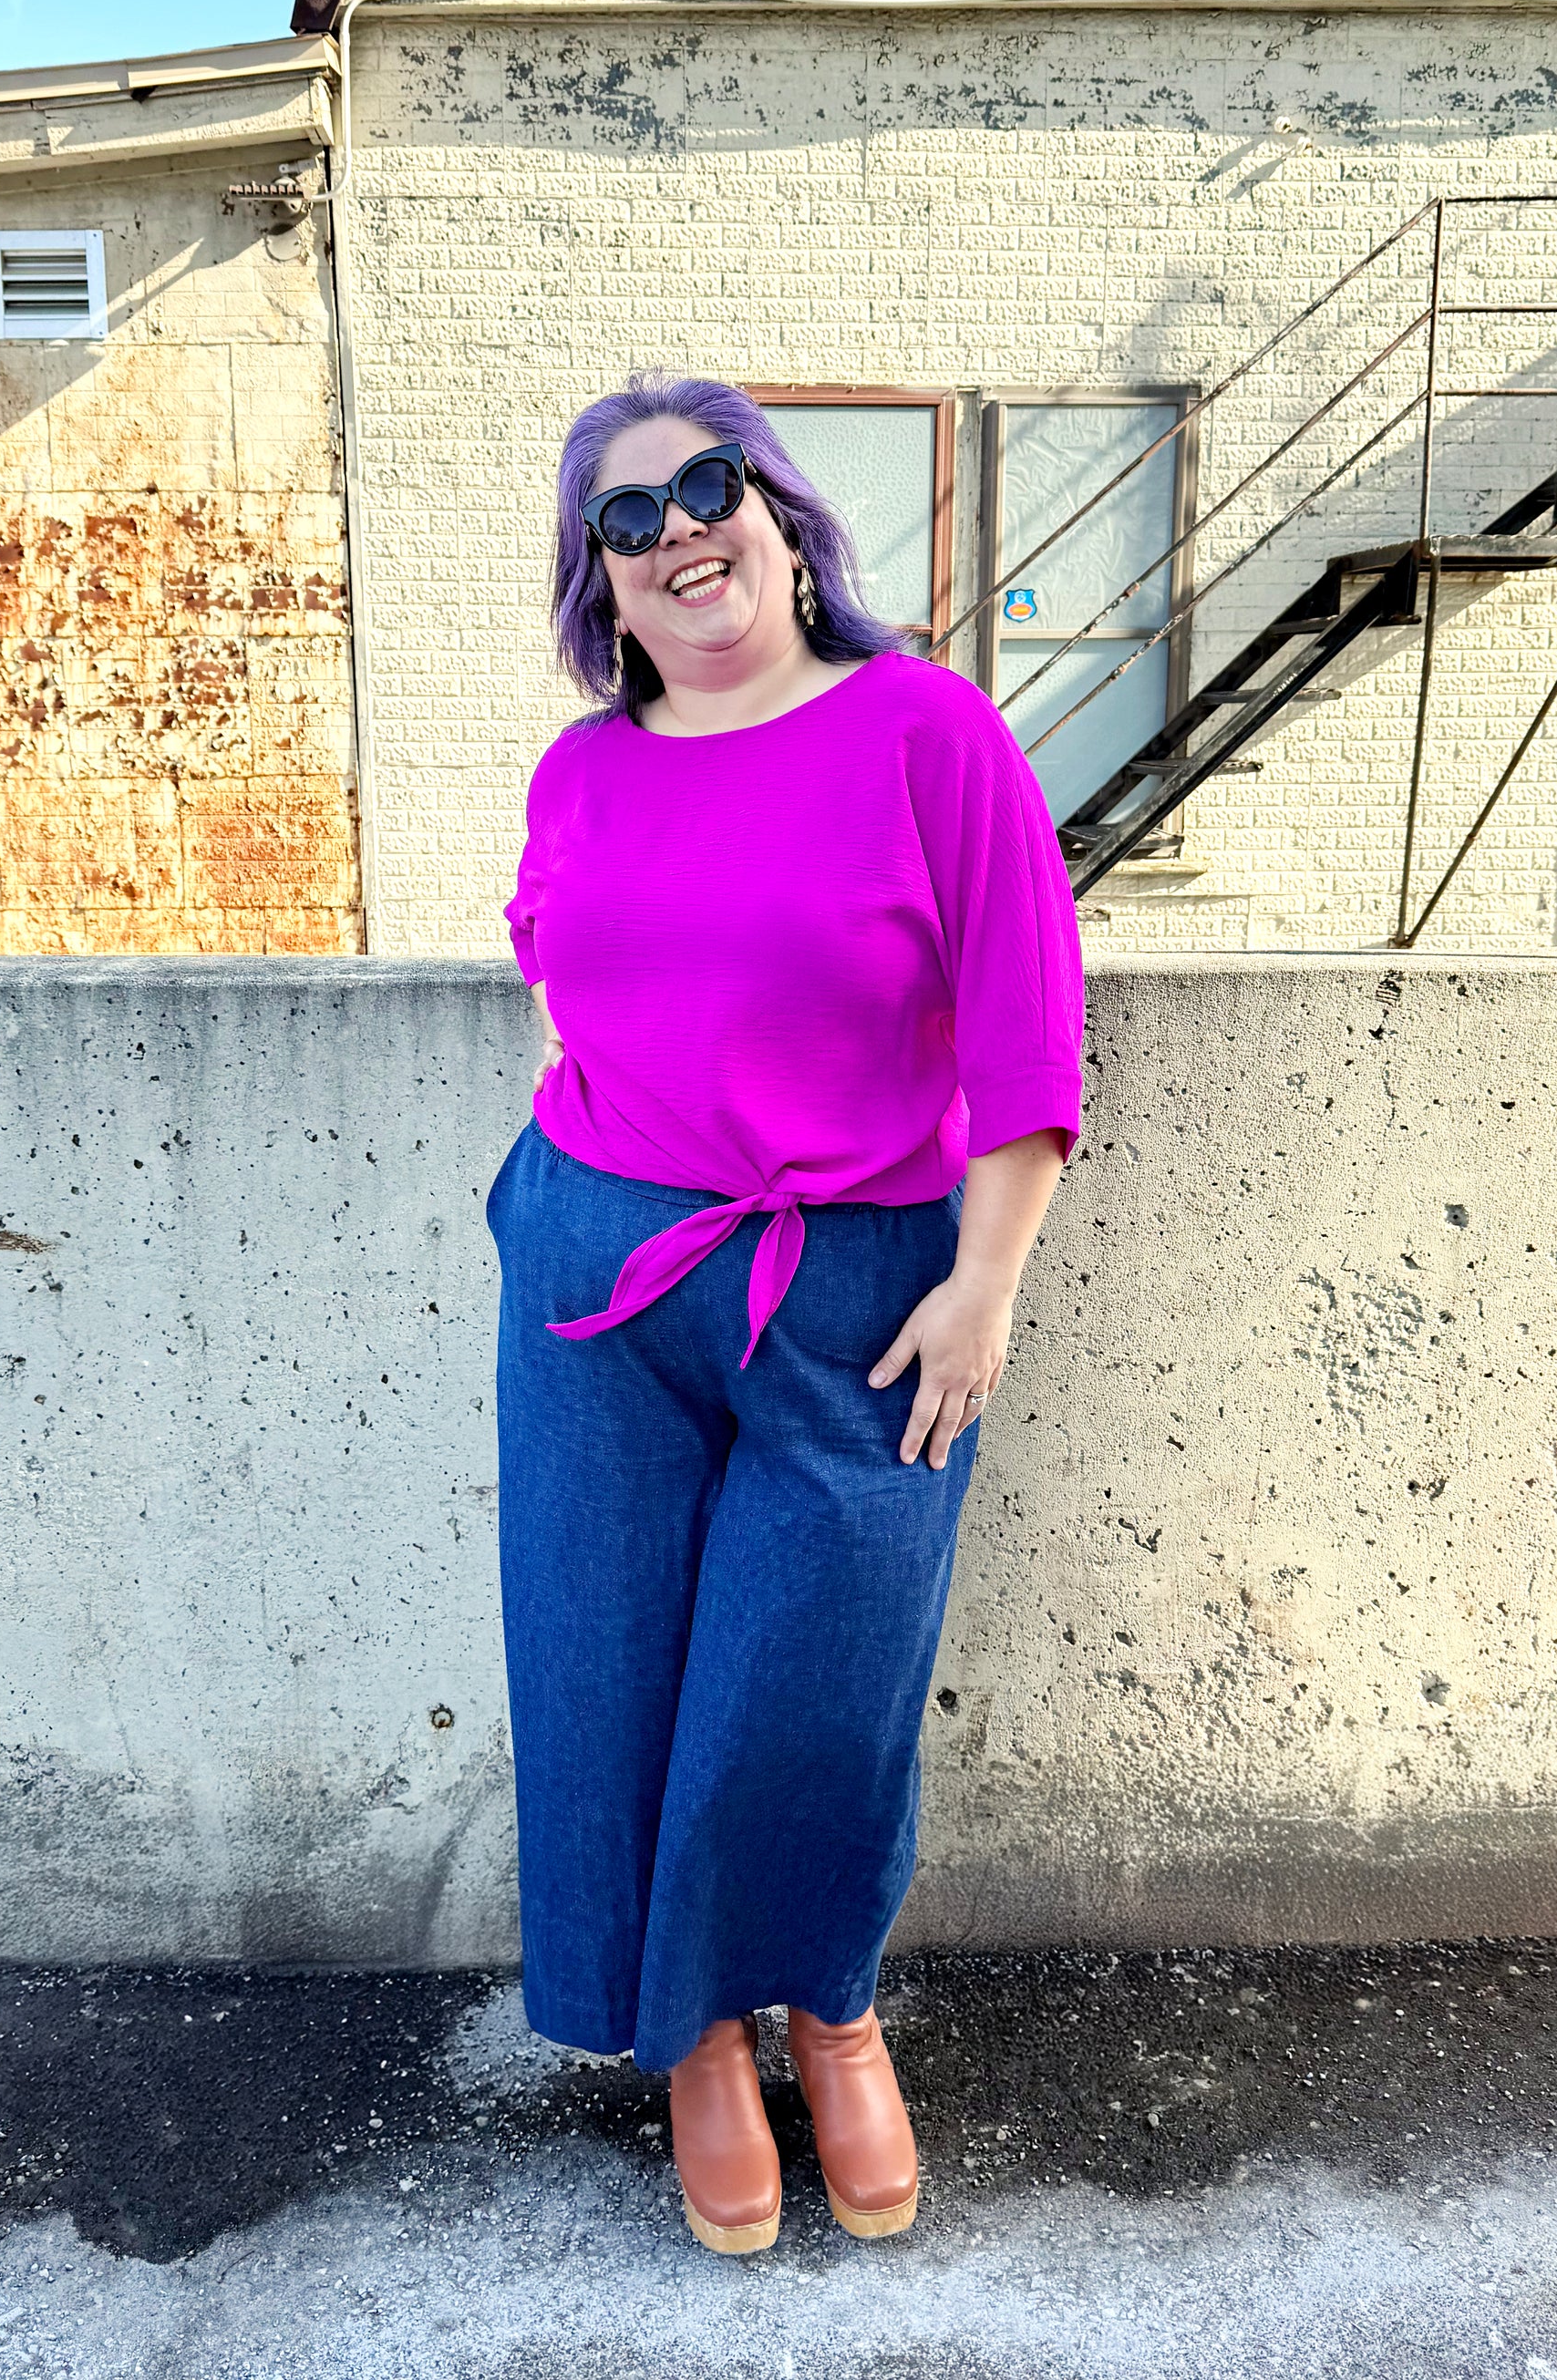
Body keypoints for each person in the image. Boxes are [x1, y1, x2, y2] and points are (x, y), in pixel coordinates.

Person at [487, 372, 1083, 2254]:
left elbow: (1023, 1026)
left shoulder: (927, 731)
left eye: (705, 488)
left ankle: (828, 2003)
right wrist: (564, 1193)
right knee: (606, 1670)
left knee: (817, 1682)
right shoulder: (581, 765)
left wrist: (981, 1287)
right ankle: (691, 2041)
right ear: (599, 576)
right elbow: (557, 972)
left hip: (857, 1279)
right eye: (627, 517)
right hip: (603, 1271)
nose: (676, 535)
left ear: (781, 511)